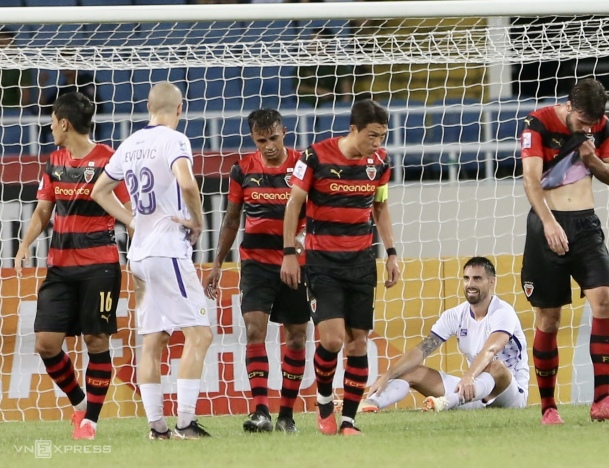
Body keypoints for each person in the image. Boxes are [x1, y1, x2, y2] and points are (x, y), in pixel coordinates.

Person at [91, 82, 213, 440]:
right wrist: (199, 220)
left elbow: (99, 190)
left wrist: (130, 221)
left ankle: (156, 428)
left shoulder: (128, 144)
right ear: (180, 108)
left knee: (151, 341)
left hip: (140, 256)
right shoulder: (175, 140)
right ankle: (187, 423)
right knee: (200, 335)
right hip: (168, 251)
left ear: (148, 106)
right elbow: (187, 184)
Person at [281, 99, 401, 436]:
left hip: (362, 261)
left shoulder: (380, 161)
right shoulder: (315, 157)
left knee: (358, 343)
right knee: (332, 341)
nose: (377, 143)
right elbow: (294, 205)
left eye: (382, 136)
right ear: (354, 130)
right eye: (372, 136)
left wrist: (391, 252)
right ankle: (322, 400)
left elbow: (381, 207)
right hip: (323, 262)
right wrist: (289, 251)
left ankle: (348, 420)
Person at [14, 92, 130, 440]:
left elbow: (128, 211)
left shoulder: (110, 160)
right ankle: (80, 404)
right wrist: (24, 243)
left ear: (64, 123)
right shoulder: (54, 161)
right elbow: (42, 210)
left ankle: (90, 422)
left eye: (52, 121)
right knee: (46, 344)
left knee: (96, 340)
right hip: (60, 268)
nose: (49, 126)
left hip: (100, 266)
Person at [520, 77, 609, 425]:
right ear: (569, 106)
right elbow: (530, 178)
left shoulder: (600, 125)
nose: (587, 127)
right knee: (549, 319)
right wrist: (549, 223)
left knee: (605, 301)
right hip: (547, 225)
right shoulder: (538, 122)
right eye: (582, 121)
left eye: (592, 122)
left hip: (586, 226)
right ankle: (549, 407)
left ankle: (602, 400)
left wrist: (592, 159)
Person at [203, 109, 309, 433]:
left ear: (285, 132)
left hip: (296, 263)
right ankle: (261, 411)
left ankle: (287, 415)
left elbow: (315, 211)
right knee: (253, 329)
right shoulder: (243, 169)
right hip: (255, 262)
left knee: (296, 336)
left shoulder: (303, 165)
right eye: (262, 140)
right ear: (253, 138)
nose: (269, 146)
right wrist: (218, 263)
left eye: (274, 138)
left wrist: (302, 241)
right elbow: (232, 219)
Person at [360, 257, 529, 413]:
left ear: (492, 282)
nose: (470, 284)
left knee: (496, 366)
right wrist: (387, 376)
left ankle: (447, 402)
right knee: (412, 371)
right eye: (466, 278)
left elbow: (491, 350)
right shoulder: (455, 315)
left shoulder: (503, 312)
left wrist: (469, 376)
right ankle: (371, 403)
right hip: (473, 390)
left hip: (511, 394)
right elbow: (423, 348)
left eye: (477, 279)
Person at [295, 27, 353, 107]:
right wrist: (318, 90)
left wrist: (343, 106)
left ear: (326, 43)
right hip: (308, 102)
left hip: (331, 102)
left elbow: (346, 88)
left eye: (315, 40)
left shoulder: (336, 62)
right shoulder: (303, 62)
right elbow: (298, 87)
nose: (311, 43)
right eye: (310, 39)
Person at [0, 27, 34, 111]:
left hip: (13, 111)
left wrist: (20, 112)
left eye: (2, 43)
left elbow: (25, 95)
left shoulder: (21, 64)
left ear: (12, 42)